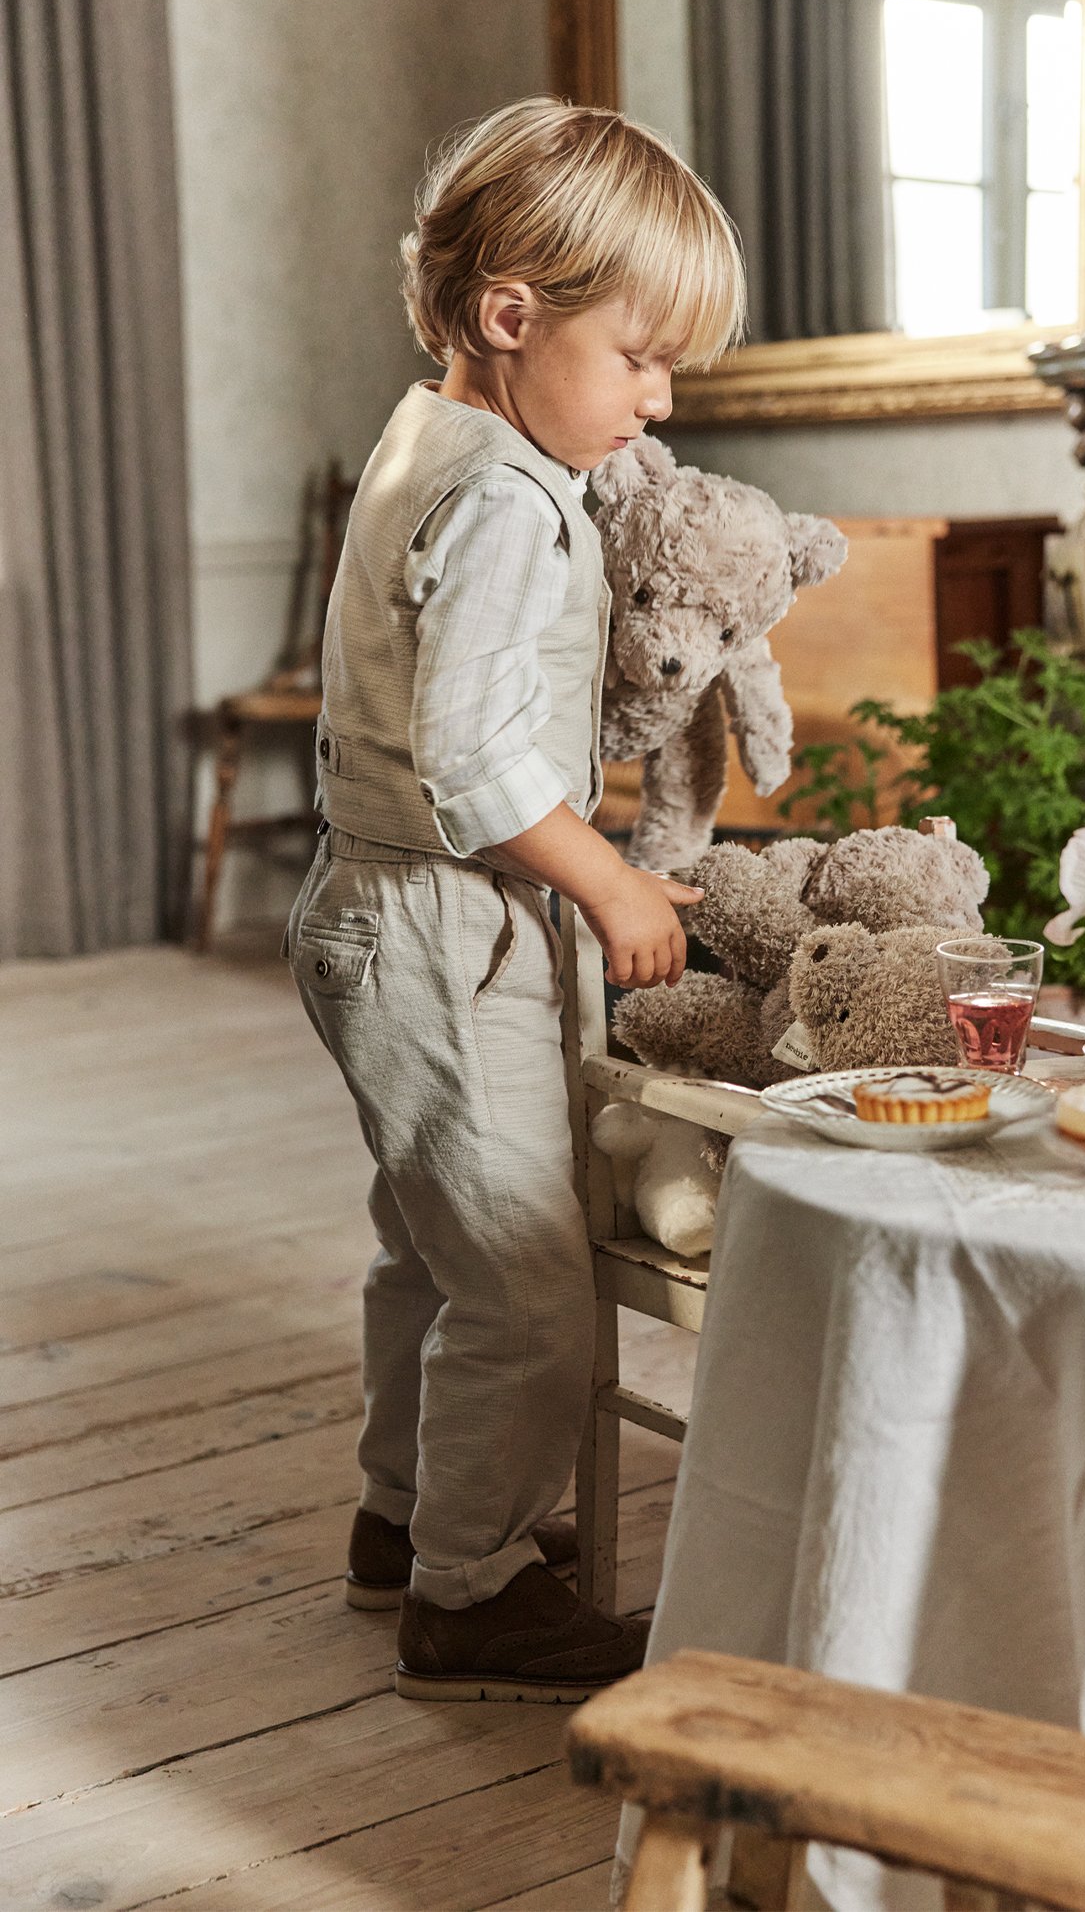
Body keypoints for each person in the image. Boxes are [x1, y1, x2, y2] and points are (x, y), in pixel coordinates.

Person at [286, 98, 746, 1701]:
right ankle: (470, 1594)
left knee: (431, 1246)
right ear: (509, 318)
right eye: (639, 359)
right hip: (438, 925)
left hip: (376, 905)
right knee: (531, 1280)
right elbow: (476, 763)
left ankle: (408, 1514)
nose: (658, 399)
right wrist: (607, 878)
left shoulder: (431, 442)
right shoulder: (500, 498)